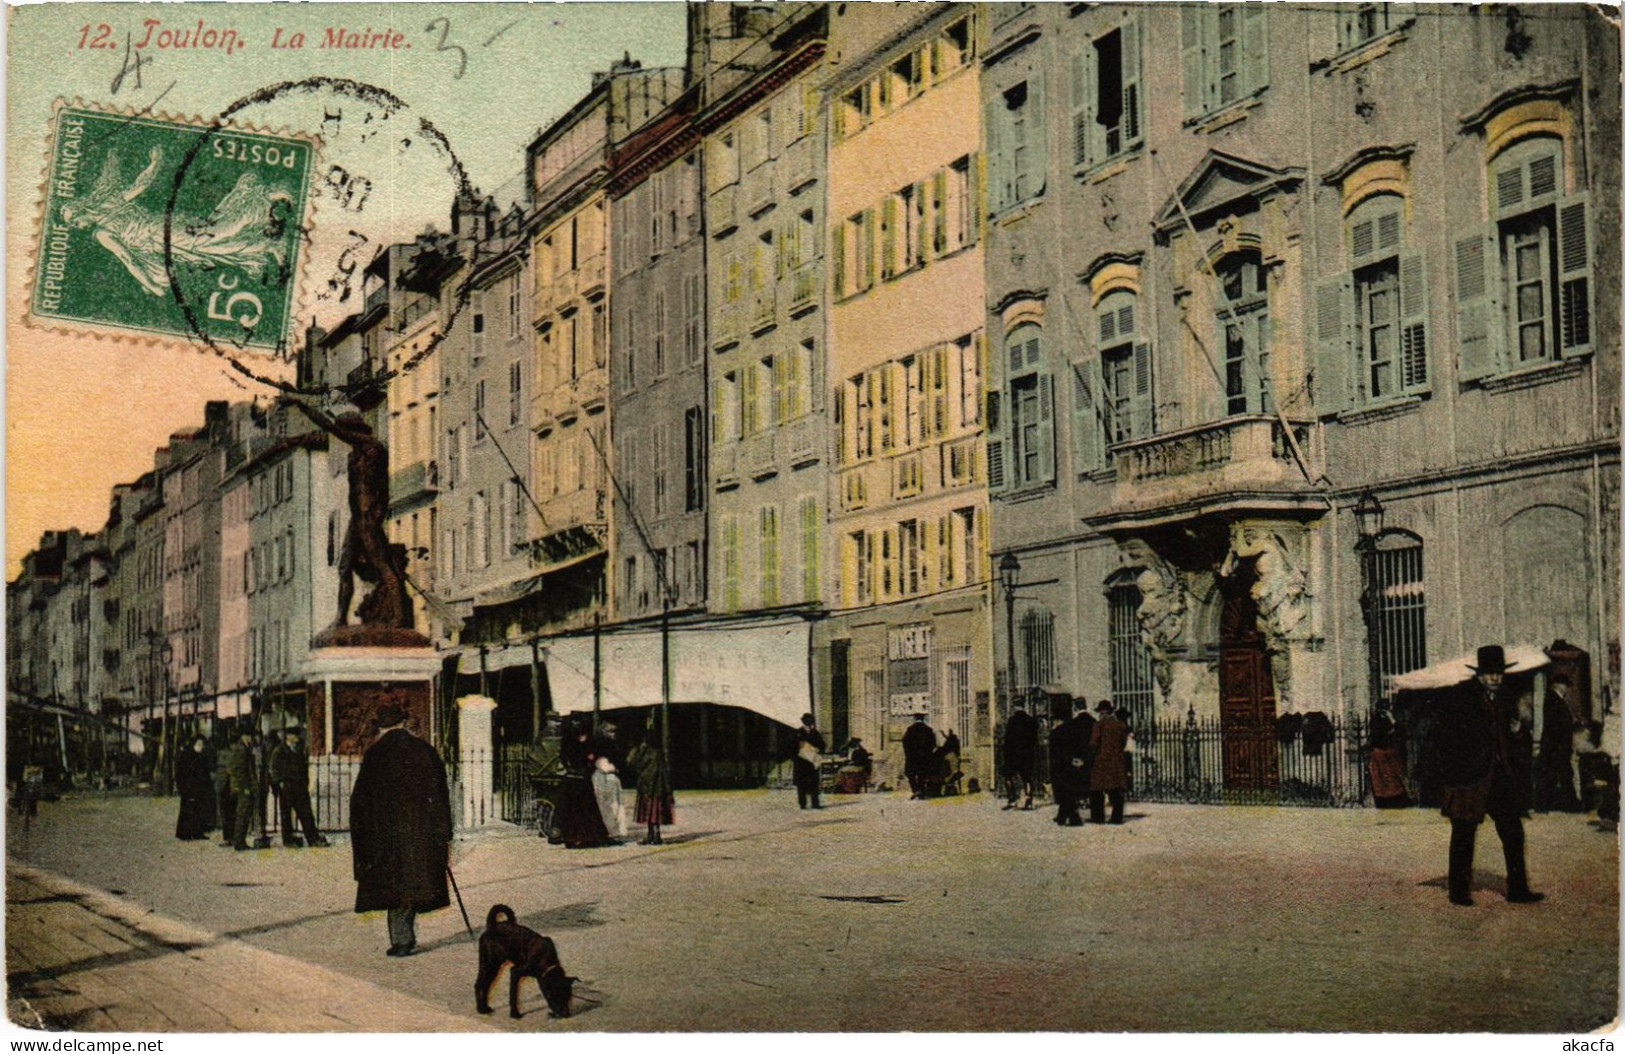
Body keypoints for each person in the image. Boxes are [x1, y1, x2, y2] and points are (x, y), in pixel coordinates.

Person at [1433, 645, 1544, 907]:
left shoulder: (1504, 699)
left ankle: (1518, 890)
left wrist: (1516, 732)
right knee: (1464, 832)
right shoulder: (1462, 698)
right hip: (1471, 777)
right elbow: (1448, 736)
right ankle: (1458, 891)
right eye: (1489, 674)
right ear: (1479, 675)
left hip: (1500, 777)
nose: (1495, 678)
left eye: (1498, 674)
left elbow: (1509, 735)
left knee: (1513, 832)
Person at [349, 704, 454, 956]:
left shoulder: (375, 755)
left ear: (382, 727)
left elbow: (360, 801)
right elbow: (441, 795)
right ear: (403, 723)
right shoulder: (425, 751)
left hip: (385, 835)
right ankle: (404, 933)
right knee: (413, 880)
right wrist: (443, 831)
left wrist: (363, 836)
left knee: (394, 884)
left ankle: (402, 939)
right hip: (420, 832)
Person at [268, 729, 330, 848]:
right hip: (287, 786)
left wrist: (306, 781)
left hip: (300, 786)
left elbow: (303, 766)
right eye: (294, 735)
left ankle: (313, 839)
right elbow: (273, 769)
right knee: (286, 815)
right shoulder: (279, 751)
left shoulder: (299, 749)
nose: (297, 738)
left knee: (306, 813)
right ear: (288, 737)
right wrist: (279, 783)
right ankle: (288, 840)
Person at [557, 718, 612, 848]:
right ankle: (583, 837)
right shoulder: (580, 743)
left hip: (572, 779)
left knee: (574, 810)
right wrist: (588, 763)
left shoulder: (567, 741)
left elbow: (565, 758)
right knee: (583, 809)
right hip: (580, 779)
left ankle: (573, 837)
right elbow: (587, 758)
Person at [625, 718, 674, 846]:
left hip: (647, 786)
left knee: (649, 812)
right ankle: (655, 834)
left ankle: (652, 834)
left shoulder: (645, 751)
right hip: (657, 786)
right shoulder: (659, 752)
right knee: (655, 812)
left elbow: (632, 762)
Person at [1537, 674, 1580, 812]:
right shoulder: (1553, 700)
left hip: (1556, 745)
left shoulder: (1554, 699)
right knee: (1560, 775)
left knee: (1557, 775)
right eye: (1565, 685)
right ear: (1557, 685)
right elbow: (1557, 725)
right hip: (1557, 746)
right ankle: (1570, 805)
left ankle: (1546, 805)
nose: (1566, 689)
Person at [1089, 700, 1129, 825]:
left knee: (1097, 790)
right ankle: (1116, 818)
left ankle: (1098, 817)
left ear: (1101, 712)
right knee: (1116, 790)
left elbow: (1094, 743)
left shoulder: (1098, 725)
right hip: (1116, 761)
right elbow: (1123, 743)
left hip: (1101, 762)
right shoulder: (1120, 725)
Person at [1049, 703, 1086, 827]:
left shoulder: (1055, 732)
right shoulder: (1072, 729)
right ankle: (1062, 816)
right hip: (1071, 765)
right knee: (1068, 791)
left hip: (1059, 766)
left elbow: (1053, 751)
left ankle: (1073, 818)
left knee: (1064, 793)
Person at [175, 735, 217, 840]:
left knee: (199, 811)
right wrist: (183, 788)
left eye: (202, 744)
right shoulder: (186, 756)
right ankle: (185, 833)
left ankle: (197, 832)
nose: (201, 747)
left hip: (200, 789)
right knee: (187, 811)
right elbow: (181, 774)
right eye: (199, 744)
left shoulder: (202, 757)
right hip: (189, 788)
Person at [1367, 710, 1412, 809]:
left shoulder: (1375, 754)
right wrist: (1392, 719)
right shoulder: (1392, 752)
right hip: (1395, 790)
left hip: (1381, 792)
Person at [590, 721, 626, 841]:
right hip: (604, 775)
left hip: (608, 776)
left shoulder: (611, 745)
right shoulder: (605, 745)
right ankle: (609, 831)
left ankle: (612, 831)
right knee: (608, 804)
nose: (613, 734)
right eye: (610, 731)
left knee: (612, 804)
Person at [226, 728, 261, 850]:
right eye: (250, 736)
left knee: (244, 814)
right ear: (245, 736)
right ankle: (239, 842)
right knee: (243, 814)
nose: (252, 739)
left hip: (243, 786)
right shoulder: (242, 750)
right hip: (244, 788)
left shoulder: (243, 748)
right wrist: (246, 787)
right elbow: (240, 771)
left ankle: (240, 841)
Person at [1003, 705, 1038, 810]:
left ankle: (1012, 799)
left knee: (1008, 776)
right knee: (1027, 778)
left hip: (1013, 754)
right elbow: (1034, 739)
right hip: (1027, 754)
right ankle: (1029, 801)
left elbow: (1008, 740)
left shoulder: (1012, 721)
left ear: (1015, 707)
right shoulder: (1030, 720)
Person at [792, 713, 826, 809]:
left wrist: (819, 749)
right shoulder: (797, 733)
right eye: (807, 722)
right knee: (801, 784)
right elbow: (791, 747)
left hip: (812, 762)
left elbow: (822, 745)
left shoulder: (815, 733)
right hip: (801, 762)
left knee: (814, 783)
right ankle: (802, 804)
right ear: (804, 722)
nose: (809, 724)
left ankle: (815, 803)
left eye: (810, 722)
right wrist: (798, 751)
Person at [901, 714, 938, 800]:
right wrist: (928, 753)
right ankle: (921, 790)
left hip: (912, 757)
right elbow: (933, 743)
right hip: (925, 757)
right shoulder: (928, 730)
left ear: (914, 719)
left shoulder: (910, 730)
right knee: (923, 774)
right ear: (923, 719)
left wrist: (908, 753)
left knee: (910, 774)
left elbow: (905, 742)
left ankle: (915, 789)